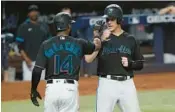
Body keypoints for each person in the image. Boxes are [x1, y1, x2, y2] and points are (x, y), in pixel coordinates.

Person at [30, 12, 101, 112]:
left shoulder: (46, 44)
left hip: (51, 89)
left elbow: (37, 70)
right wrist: (96, 33)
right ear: (68, 26)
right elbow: (97, 46)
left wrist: (33, 89)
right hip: (70, 89)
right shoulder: (79, 43)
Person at [85, 4, 144, 112]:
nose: (109, 22)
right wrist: (100, 40)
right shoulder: (101, 37)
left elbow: (140, 63)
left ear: (119, 20)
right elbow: (88, 59)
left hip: (127, 85)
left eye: (112, 19)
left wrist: (130, 64)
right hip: (107, 84)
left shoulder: (130, 39)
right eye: (107, 19)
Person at [16, 5, 49, 80]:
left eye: (35, 11)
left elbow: (48, 44)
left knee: (41, 85)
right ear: (28, 14)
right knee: (27, 85)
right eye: (31, 11)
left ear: (38, 13)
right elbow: (20, 46)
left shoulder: (44, 26)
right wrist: (26, 58)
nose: (34, 13)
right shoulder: (23, 27)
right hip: (29, 61)